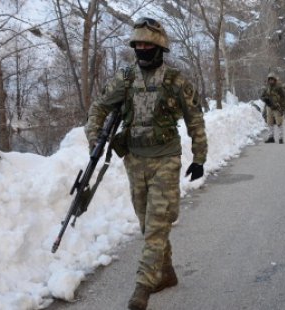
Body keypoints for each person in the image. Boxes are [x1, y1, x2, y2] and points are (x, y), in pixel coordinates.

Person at [84, 17, 207, 310]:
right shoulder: (125, 78)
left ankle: (143, 286)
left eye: (147, 44)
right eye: (137, 44)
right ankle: (166, 273)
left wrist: (200, 156)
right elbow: (99, 107)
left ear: (159, 47)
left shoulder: (176, 80)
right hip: (134, 160)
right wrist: (94, 139)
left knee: (156, 225)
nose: (141, 49)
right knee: (146, 223)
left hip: (166, 159)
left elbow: (195, 119)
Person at [261, 73, 285, 144]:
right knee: (270, 123)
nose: (271, 81)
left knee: (279, 123)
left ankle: (281, 138)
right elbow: (262, 96)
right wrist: (265, 99)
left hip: (277, 107)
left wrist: (282, 107)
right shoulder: (267, 88)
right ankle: (271, 137)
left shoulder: (279, 87)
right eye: (269, 79)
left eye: (272, 79)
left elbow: (283, 98)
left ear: (275, 80)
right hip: (269, 107)